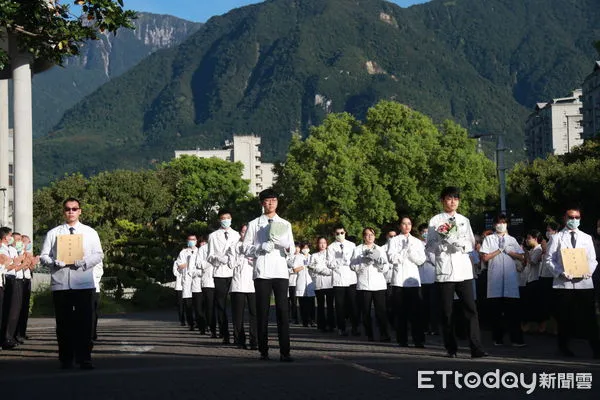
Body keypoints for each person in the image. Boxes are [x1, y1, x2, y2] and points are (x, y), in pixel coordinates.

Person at [40, 198, 104, 369]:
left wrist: (84, 262)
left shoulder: (90, 232)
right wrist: (54, 262)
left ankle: (84, 358)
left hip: (83, 282)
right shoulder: (54, 233)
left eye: (74, 209)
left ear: (80, 211)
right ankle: (66, 358)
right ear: (63, 211)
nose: (71, 212)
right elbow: (43, 256)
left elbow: (98, 254)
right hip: (61, 283)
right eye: (68, 209)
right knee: (63, 323)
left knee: (85, 322)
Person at [425, 187, 487, 358]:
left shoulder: (464, 220)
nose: (452, 202)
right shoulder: (435, 221)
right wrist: (443, 244)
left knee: (470, 309)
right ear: (443, 201)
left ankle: (476, 347)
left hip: (463, 270)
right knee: (447, 311)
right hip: (445, 271)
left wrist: (459, 243)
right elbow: (429, 246)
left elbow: (471, 243)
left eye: (455, 199)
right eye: (449, 198)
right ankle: (451, 348)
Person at [243, 188, 294, 362]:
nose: (271, 203)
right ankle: (263, 350)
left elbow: (292, 249)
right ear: (262, 203)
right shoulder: (254, 223)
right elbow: (245, 248)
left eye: (274, 200)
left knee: (282, 311)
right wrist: (260, 247)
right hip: (262, 272)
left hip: (280, 271)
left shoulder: (286, 224)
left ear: (277, 202)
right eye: (267, 200)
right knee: (262, 312)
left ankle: (285, 351)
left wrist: (284, 245)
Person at [546, 207, 599, 358]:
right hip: (564, 283)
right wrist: (560, 272)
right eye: (571, 217)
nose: (574, 220)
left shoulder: (586, 237)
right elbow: (549, 259)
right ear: (564, 218)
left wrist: (589, 271)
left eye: (577, 217)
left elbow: (592, 259)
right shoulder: (556, 238)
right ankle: (563, 347)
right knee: (564, 317)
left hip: (584, 282)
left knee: (589, 316)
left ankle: (596, 348)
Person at [480, 215, 526, 347]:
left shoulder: (512, 239)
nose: (501, 225)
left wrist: (510, 252)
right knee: (496, 312)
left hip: (510, 279)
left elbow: (521, 256)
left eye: (504, 223)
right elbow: (485, 257)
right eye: (499, 223)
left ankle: (516, 339)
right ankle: (497, 338)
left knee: (513, 312)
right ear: (494, 225)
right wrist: (499, 250)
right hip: (495, 279)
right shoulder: (489, 239)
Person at [388, 217, 427, 347]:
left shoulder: (417, 241)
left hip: (413, 281)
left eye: (409, 224)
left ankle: (418, 340)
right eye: (404, 224)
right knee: (400, 312)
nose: (406, 226)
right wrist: (404, 251)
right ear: (400, 226)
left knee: (416, 312)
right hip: (399, 280)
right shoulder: (394, 241)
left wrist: (411, 253)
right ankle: (402, 339)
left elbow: (421, 260)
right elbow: (392, 258)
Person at [207, 210, 240, 344]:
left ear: (231, 219)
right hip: (220, 272)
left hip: (235, 272)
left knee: (236, 304)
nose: (225, 220)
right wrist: (218, 259)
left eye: (228, 218)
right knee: (221, 304)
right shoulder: (213, 235)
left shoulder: (236, 235)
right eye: (223, 218)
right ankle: (225, 333)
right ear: (219, 220)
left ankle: (238, 335)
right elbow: (209, 256)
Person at [351, 227, 390, 342]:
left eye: (371, 235)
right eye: (367, 235)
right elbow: (353, 266)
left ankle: (384, 334)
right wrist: (364, 263)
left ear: (375, 236)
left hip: (378, 284)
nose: (369, 237)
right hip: (364, 284)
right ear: (363, 236)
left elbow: (386, 267)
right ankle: (369, 334)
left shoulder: (380, 249)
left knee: (381, 311)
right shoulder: (358, 250)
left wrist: (379, 263)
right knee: (366, 311)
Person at [327, 225, 359, 337]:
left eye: (341, 233)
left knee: (353, 304)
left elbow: (356, 260)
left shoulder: (352, 245)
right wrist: (339, 261)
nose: (339, 235)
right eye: (337, 233)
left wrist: (349, 261)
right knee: (340, 305)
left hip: (351, 278)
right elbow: (329, 263)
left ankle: (355, 327)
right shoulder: (331, 247)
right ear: (334, 234)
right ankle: (341, 327)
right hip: (338, 278)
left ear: (345, 233)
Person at [230, 225, 257, 349]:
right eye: (243, 232)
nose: (245, 234)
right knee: (238, 314)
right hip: (238, 284)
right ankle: (239, 340)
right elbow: (231, 264)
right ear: (240, 233)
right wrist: (241, 257)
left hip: (253, 284)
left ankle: (254, 340)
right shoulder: (233, 247)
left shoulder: (255, 247)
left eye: (247, 232)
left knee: (254, 313)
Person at [1, 227, 24, 350]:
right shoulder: (2, 249)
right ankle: (7, 337)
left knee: (15, 310)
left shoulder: (12, 249)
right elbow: (6, 267)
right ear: (6, 237)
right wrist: (17, 263)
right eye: (11, 236)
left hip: (14, 279)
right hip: (8, 279)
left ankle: (10, 336)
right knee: (9, 310)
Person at [309, 237, 335, 332]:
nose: (322, 245)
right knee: (320, 305)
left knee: (330, 304)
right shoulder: (314, 255)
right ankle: (321, 325)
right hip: (319, 283)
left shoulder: (331, 254)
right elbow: (311, 269)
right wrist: (320, 270)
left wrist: (321, 270)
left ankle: (331, 324)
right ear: (317, 244)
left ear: (327, 244)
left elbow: (333, 268)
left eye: (324, 242)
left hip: (329, 283)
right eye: (320, 243)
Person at [417, 223, 438, 335]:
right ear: (420, 233)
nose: (426, 234)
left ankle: (434, 328)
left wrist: (429, 255)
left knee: (433, 305)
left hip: (433, 278)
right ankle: (424, 327)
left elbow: (436, 261)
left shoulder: (434, 244)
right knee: (423, 305)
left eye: (427, 232)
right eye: (423, 232)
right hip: (421, 279)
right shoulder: (417, 244)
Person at [175, 235, 198, 330]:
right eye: (190, 240)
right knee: (188, 304)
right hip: (186, 281)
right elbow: (179, 265)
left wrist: (187, 264)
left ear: (196, 241)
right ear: (187, 241)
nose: (191, 241)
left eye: (193, 239)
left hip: (197, 280)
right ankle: (191, 324)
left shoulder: (200, 251)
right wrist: (190, 263)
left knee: (198, 304)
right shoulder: (183, 252)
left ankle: (199, 322)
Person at [524, 230, 544, 330]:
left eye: (529, 238)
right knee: (530, 304)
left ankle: (538, 326)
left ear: (535, 239)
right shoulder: (532, 250)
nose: (527, 240)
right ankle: (533, 326)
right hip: (529, 279)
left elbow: (532, 262)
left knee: (534, 304)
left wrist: (525, 252)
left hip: (535, 280)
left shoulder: (538, 249)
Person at [294, 243, 316, 327]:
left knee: (311, 303)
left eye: (307, 247)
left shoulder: (312, 257)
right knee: (303, 304)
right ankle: (305, 321)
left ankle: (312, 320)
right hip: (301, 282)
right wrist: (304, 266)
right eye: (304, 247)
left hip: (310, 283)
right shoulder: (298, 257)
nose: (306, 249)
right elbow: (295, 269)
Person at [190, 237, 206, 334]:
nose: (203, 245)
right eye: (201, 243)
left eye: (205, 243)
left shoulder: (210, 253)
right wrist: (202, 272)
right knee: (198, 308)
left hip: (208, 284)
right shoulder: (193, 256)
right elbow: (192, 271)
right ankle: (201, 326)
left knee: (208, 307)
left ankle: (207, 324)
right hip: (197, 286)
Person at [287, 243, 300, 325]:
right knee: (286, 302)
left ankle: (295, 318)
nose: (296, 249)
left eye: (298, 247)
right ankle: (287, 318)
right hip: (287, 282)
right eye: (295, 247)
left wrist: (295, 269)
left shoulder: (300, 257)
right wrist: (294, 270)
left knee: (294, 302)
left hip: (295, 282)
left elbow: (300, 268)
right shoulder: (288, 257)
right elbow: (288, 269)